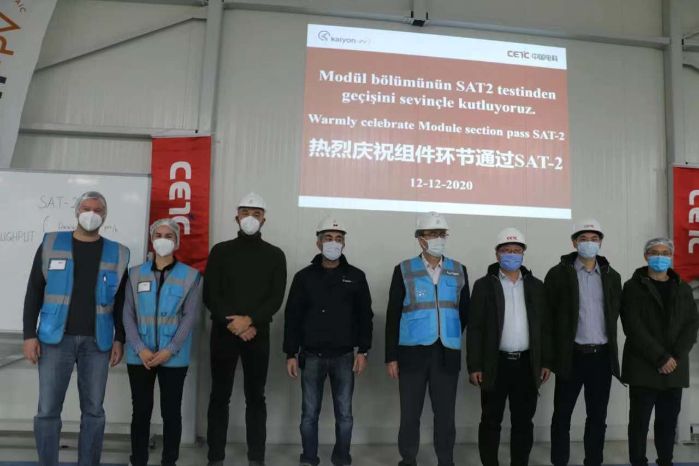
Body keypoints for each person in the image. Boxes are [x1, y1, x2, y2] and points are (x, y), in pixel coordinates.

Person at [22, 191, 130, 466]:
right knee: (48, 410)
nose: (91, 213)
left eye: (97, 209)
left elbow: (121, 301)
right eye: (86, 208)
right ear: (76, 211)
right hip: (54, 340)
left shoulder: (118, 253)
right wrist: (29, 335)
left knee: (94, 411)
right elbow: (34, 291)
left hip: (98, 343)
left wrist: (120, 338)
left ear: (105, 215)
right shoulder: (51, 243)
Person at [283, 216, 374, 466]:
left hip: (344, 356)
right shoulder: (304, 277)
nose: (333, 243)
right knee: (308, 415)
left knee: (345, 415)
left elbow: (365, 316)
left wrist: (363, 351)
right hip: (311, 356)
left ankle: (342, 457)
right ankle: (309, 458)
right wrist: (290, 353)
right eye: (328, 238)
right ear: (318, 242)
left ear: (344, 243)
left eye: (338, 239)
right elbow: (292, 316)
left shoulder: (356, 276)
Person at [205, 192, 287, 466]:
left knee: (256, 397)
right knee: (219, 396)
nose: (250, 218)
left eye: (256, 213)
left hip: (257, 334)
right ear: (236, 217)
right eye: (245, 213)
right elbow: (210, 294)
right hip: (224, 333)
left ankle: (256, 458)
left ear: (264, 219)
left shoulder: (275, 255)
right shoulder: (220, 251)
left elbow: (275, 298)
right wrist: (236, 325)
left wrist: (249, 321)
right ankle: (215, 457)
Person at [385, 211, 470, 466]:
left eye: (441, 234)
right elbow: (393, 315)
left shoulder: (458, 269)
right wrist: (391, 357)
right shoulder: (404, 269)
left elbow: (465, 312)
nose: (438, 238)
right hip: (412, 353)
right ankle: (408, 459)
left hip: (446, 352)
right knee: (410, 413)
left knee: (445, 414)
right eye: (432, 234)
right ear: (420, 238)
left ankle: (446, 460)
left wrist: (448, 331)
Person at [467, 228, 551, 466]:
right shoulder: (484, 285)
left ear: (523, 254)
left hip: (527, 364)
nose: (511, 255)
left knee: (523, 422)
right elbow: (475, 329)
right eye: (506, 250)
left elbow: (545, 327)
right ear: (497, 254)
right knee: (490, 420)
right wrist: (475, 365)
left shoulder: (536, 286)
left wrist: (545, 361)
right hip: (495, 364)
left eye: (516, 251)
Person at [123, 218, 202, 466]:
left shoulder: (191, 276)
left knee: (171, 412)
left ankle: (169, 460)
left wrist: (170, 350)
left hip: (174, 357)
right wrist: (140, 348)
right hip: (140, 356)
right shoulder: (134, 273)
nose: (163, 240)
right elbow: (127, 314)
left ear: (177, 242)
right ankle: (138, 459)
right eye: (159, 235)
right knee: (141, 411)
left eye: (169, 236)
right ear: (151, 239)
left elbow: (190, 317)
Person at [546, 218, 622, 466]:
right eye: (583, 239)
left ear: (600, 243)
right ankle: (560, 461)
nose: (589, 243)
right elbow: (548, 318)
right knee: (562, 415)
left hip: (601, 357)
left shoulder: (612, 276)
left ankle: (593, 461)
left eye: (594, 239)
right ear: (574, 242)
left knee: (597, 417)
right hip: (571, 356)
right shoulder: (558, 274)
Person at [620, 238, 699, 466]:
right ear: (646, 256)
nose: (660, 257)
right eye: (655, 252)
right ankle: (638, 461)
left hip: (674, 368)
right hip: (643, 366)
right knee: (639, 423)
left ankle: (665, 461)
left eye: (665, 253)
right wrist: (661, 357)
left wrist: (674, 357)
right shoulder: (632, 287)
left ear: (671, 256)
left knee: (667, 422)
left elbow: (691, 325)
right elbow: (633, 326)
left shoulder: (683, 288)